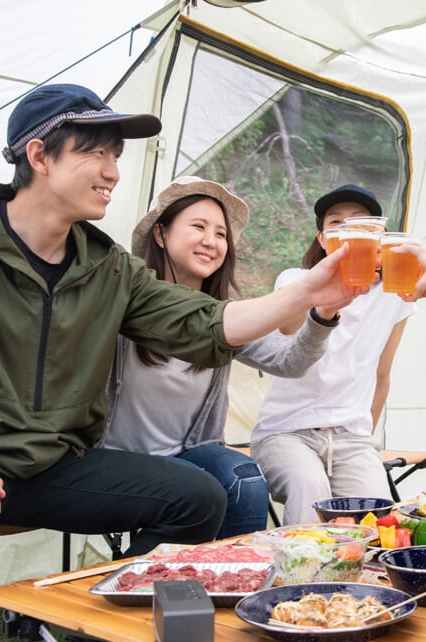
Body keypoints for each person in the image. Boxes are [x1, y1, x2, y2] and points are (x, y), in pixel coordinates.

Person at [0, 84, 362, 642]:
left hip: (45, 466)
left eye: (116, 156)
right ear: (39, 155)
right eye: (96, 152)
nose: (113, 172)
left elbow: (206, 323)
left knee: (199, 497)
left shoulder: (107, 266)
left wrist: (309, 291)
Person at [100, 175, 345, 540]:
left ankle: (234, 582)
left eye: (220, 234)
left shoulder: (224, 318)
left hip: (187, 455)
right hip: (114, 458)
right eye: (198, 227)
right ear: (160, 234)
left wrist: (322, 314)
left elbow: (290, 362)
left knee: (245, 478)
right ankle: (159, 581)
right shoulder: (121, 302)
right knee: (191, 495)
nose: (211, 242)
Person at [249, 184, 416, 525]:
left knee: (378, 516)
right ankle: (301, 575)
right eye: (337, 224)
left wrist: (361, 434)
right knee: (309, 487)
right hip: (286, 431)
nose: (349, 231)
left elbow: (381, 377)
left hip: (351, 437)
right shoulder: (296, 280)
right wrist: (318, 290)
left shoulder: (395, 296)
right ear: (323, 240)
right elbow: (286, 331)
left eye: (360, 223)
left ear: (378, 235)